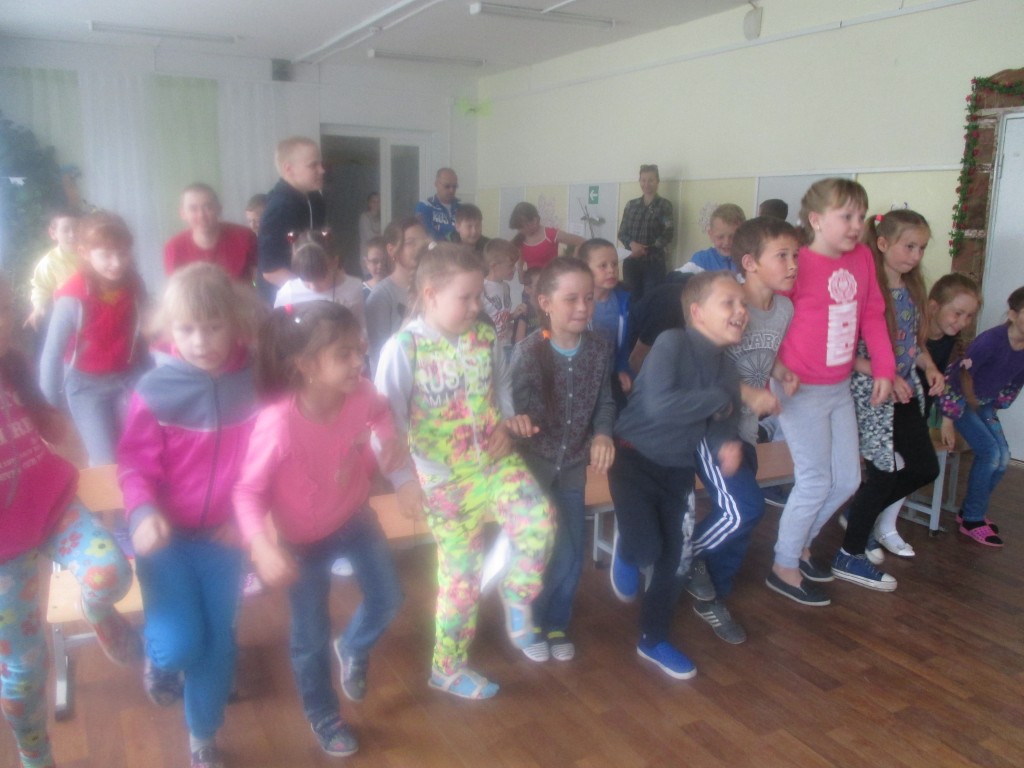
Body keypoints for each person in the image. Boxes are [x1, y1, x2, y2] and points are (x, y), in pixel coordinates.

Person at [375, 242, 554, 700]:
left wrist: (507, 426)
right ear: (431, 294)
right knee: (462, 580)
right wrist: (403, 480)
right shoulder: (405, 348)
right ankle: (447, 669)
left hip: (495, 461)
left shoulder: (484, 337)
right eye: (467, 297)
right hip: (444, 481)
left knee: (538, 520)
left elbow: (501, 387)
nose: (477, 306)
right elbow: (385, 423)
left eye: (479, 296)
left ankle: (517, 593)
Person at [234, 301, 409, 758]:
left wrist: (389, 438)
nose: (359, 362)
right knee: (309, 638)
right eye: (344, 354)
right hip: (302, 544)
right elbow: (246, 492)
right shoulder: (278, 424)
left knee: (389, 598)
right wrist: (261, 546)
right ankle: (323, 714)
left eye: (359, 350)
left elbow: (381, 412)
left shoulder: (361, 393)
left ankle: (352, 646)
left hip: (355, 519)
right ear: (307, 366)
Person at [117, 263, 259, 768]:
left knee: (218, 646)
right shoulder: (155, 391)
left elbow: (267, 463)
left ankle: (202, 738)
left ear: (235, 322)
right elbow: (133, 466)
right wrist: (141, 513)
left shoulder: (255, 382)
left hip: (225, 540)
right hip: (167, 542)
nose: (201, 341)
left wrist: (248, 522)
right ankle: (160, 661)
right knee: (180, 648)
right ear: (170, 330)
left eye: (213, 326)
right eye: (187, 329)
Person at [0, 275, 138, 768]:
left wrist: (56, 413)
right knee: (23, 669)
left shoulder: (11, 365)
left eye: (3, 314)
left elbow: (53, 430)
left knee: (110, 573)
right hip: (4, 550)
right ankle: (35, 753)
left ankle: (97, 613)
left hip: (52, 505)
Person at [608, 270, 746, 680]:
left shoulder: (728, 367)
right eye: (729, 303)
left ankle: (653, 640)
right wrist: (719, 400)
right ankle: (627, 549)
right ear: (697, 312)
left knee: (675, 562)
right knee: (648, 550)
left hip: (679, 470)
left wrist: (726, 442)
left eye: (743, 304)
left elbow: (723, 421)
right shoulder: (673, 342)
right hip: (632, 458)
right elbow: (660, 407)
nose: (741, 310)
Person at [765, 179, 894, 606]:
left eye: (861, 216)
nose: (857, 225)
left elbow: (872, 313)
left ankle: (800, 544)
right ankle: (784, 564)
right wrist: (773, 370)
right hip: (799, 388)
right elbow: (765, 316)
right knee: (815, 479)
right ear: (816, 220)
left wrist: (884, 367)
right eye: (847, 216)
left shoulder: (862, 257)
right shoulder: (796, 263)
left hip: (837, 387)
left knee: (848, 479)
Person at [686, 217, 799, 643]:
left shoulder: (783, 309)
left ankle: (712, 592)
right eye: (782, 256)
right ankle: (685, 558)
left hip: (746, 430)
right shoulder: (728, 304)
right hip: (713, 428)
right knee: (745, 508)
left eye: (795, 256)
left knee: (742, 517)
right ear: (750, 263)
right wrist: (748, 394)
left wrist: (781, 372)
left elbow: (765, 354)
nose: (793, 264)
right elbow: (701, 366)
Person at [510, 257, 615, 662]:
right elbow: (508, 408)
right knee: (540, 548)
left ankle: (557, 621)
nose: (582, 307)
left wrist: (602, 433)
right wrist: (515, 422)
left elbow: (605, 401)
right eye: (571, 299)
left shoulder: (599, 349)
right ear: (545, 303)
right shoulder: (528, 352)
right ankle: (531, 622)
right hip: (532, 469)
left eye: (588, 298)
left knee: (571, 551)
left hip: (572, 467)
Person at [839, 211, 942, 581]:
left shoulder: (912, 291)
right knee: (882, 474)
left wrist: (929, 366)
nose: (916, 256)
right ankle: (849, 553)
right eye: (909, 246)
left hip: (904, 389)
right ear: (882, 244)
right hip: (874, 393)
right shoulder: (863, 289)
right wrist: (884, 373)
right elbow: (845, 351)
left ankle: (859, 514)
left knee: (925, 467)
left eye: (921, 248)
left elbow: (912, 343)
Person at [40, 212, 149, 466]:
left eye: (123, 253)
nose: (117, 263)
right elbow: (52, 354)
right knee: (104, 461)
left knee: (140, 447)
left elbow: (144, 332)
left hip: (127, 378)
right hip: (86, 387)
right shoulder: (72, 297)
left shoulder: (134, 285)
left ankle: (140, 490)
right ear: (85, 252)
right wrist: (48, 411)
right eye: (106, 255)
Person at [940, 285, 1024, 547]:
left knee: (1003, 458)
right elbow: (957, 379)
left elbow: (1015, 382)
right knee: (990, 453)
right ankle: (972, 520)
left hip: (983, 403)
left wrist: (998, 405)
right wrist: (947, 419)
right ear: (1013, 314)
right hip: (959, 401)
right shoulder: (990, 341)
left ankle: (970, 511)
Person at [257, 136, 327, 304]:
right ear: (289, 169)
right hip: (285, 301)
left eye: (320, 164)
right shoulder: (279, 208)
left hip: (312, 291)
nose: (322, 170)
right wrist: (313, 293)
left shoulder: (315, 199)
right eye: (313, 165)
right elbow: (271, 271)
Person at [365, 217, 431, 374]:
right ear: (391, 250)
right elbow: (378, 355)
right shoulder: (381, 296)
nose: (419, 247)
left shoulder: (433, 287)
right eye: (411, 243)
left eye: (423, 241)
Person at [164, 183, 257, 282]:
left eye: (208, 207)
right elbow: (176, 287)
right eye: (193, 209)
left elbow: (259, 279)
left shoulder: (245, 237)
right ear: (183, 214)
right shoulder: (173, 248)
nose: (201, 215)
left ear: (219, 209)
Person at [580, 238, 633, 406]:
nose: (611, 270)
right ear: (585, 269)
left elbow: (624, 344)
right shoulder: (578, 305)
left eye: (614, 264)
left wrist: (621, 368)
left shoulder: (624, 302)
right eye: (603, 266)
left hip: (611, 374)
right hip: (581, 376)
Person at [274, 233, 365, 330]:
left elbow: (362, 330)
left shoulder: (355, 289)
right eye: (305, 280)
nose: (313, 287)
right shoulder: (288, 293)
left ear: (335, 262)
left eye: (321, 279)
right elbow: (278, 331)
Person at [617, 163, 675, 301]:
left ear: (657, 181)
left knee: (651, 300)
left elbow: (668, 234)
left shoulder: (664, 205)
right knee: (631, 300)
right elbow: (622, 232)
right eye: (643, 180)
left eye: (651, 180)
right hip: (631, 261)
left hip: (654, 263)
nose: (646, 184)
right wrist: (632, 245)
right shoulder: (631, 205)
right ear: (639, 181)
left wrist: (646, 249)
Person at [25, 206, 79, 333]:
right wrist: (38, 308)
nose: (72, 234)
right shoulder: (49, 263)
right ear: (53, 233)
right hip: (66, 317)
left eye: (77, 228)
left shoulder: (92, 255)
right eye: (66, 230)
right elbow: (41, 287)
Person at [509, 202, 584, 282]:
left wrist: (573, 264)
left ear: (535, 220)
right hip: (531, 285)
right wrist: (521, 275)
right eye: (518, 228)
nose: (520, 231)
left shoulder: (550, 234)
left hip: (551, 282)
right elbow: (520, 261)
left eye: (522, 227)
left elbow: (582, 241)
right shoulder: (521, 239)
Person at [482, 238, 524, 358]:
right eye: (511, 266)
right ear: (494, 266)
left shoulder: (506, 287)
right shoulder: (482, 288)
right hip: (488, 348)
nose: (514, 269)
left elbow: (500, 316)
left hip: (506, 345)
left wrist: (513, 315)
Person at [679, 204, 746, 275]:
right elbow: (679, 276)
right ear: (711, 235)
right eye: (720, 237)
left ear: (743, 236)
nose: (726, 242)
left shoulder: (747, 259)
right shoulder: (701, 259)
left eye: (733, 237)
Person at [416, 168, 460, 240]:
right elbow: (427, 233)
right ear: (436, 184)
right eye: (447, 186)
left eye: (454, 186)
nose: (451, 190)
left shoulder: (461, 208)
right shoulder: (425, 206)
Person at [512, 267, 542, 345]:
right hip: (527, 349)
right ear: (528, 289)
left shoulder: (547, 308)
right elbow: (519, 341)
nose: (543, 287)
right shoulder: (524, 310)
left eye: (545, 283)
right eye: (539, 285)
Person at [361, 236, 390, 301]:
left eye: (384, 260)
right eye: (375, 261)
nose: (380, 266)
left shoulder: (397, 288)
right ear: (366, 263)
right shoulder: (361, 292)